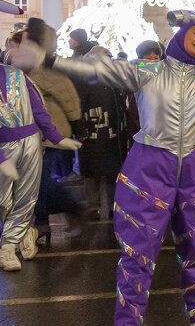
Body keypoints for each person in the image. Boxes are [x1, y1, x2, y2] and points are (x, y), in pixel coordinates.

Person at [8, 12, 195, 326]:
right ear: (180, 37)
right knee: (137, 250)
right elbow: (95, 70)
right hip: (150, 167)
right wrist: (47, 59)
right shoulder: (146, 71)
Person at [0, 30, 80, 271]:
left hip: (31, 143)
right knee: (4, 201)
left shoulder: (18, 77)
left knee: (26, 198)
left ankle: (7, 247)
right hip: (4, 147)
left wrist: (57, 138)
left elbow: (39, 111)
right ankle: (22, 233)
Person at [27, 57, 85, 243]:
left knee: (40, 181)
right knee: (38, 181)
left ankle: (68, 211)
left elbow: (69, 99)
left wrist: (78, 125)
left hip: (50, 132)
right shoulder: (25, 73)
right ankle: (48, 220)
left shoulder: (43, 73)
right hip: (34, 134)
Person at [77, 43, 131, 219]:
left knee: (111, 173)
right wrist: (80, 129)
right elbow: (77, 106)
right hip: (93, 134)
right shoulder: (84, 80)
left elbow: (120, 106)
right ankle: (94, 207)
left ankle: (112, 207)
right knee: (93, 173)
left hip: (112, 135)